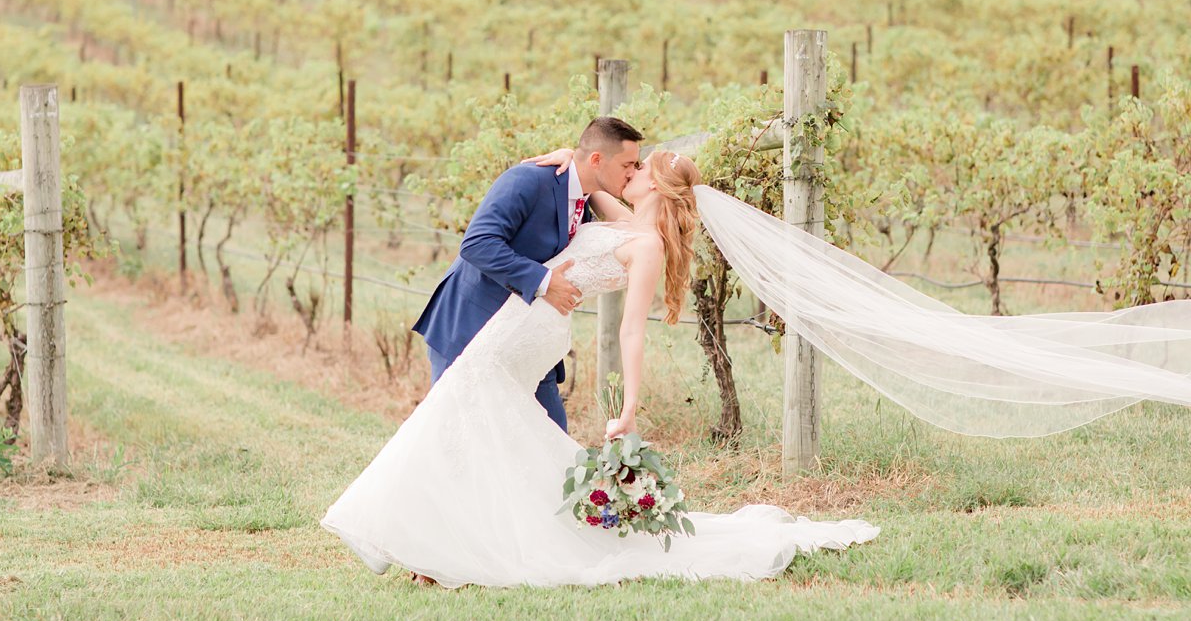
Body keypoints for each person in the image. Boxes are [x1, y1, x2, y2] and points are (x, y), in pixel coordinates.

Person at [322, 150, 880, 588]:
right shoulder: (626, 217)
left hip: (530, 327)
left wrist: (629, 408)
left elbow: (630, 329)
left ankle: (413, 538)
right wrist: (567, 154)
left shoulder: (648, 248)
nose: (630, 173)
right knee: (481, 425)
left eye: (640, 168)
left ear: (655, 187)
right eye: (629, 164)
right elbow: (581, 190)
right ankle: (429, 538)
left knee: (459, 416)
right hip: (523, 321)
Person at [409, 116, 642, 431]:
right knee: (453, 436)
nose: (633, 172)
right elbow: (477, 244)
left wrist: (579, 163)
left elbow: (634, 230)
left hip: (527, 341)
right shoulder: (529, 180)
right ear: (598, 160)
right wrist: (545, 282)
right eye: (628, 164)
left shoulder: (585, 201)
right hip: (470, 326)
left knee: (552, 435)